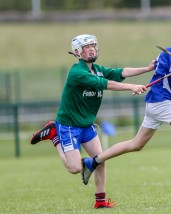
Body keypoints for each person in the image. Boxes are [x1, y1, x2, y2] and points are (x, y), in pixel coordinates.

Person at [30, 34, 155, 209]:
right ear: (77, 52)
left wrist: (147, 68)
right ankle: (54, 135)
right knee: (74, 168)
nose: (91, 49)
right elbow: (107, 84)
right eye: (86, 47)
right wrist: (131, 87)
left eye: (93, 46)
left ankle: (100, 201)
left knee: (100, 160)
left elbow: (120, 72)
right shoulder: (77, 72)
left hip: (86, 125)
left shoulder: (97, 69)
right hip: (69, 125)